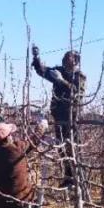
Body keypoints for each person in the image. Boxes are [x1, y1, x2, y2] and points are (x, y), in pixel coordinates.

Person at [31, 45, 85, 185]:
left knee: (73, 148)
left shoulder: (80, 76)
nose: (64, 60)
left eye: (68, 58)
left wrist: (62, 81)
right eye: (64, 57)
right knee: (61, 148)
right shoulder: (59, 71)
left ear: (75, 61)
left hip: (71, 117)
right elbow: (43, 71)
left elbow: (77, 94)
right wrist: (36, 58)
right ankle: (68, 178)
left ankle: (78, 180)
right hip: (58, 116)